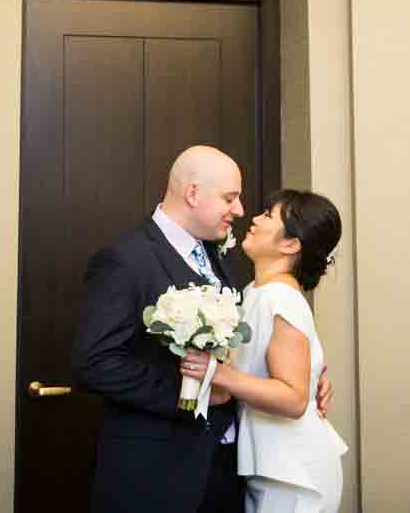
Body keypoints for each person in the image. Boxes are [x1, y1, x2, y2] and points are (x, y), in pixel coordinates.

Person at [75, 147, 332, 513]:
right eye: (230, 198)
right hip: (154, 473)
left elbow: (244, 346)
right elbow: (96, 363)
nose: (240, 211)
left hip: (224, 471)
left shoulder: (217, 255)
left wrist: (306, 374)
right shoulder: (126, 260)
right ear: (193, 194)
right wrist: (190, 396)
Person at [180, 190, 347, 513]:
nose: (254, 219)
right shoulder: (256, 293)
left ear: (290, 244)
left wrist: (219, 373)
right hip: (272, 466)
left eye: (268, 215)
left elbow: (294, 398)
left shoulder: (280, 298)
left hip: (294, 474)